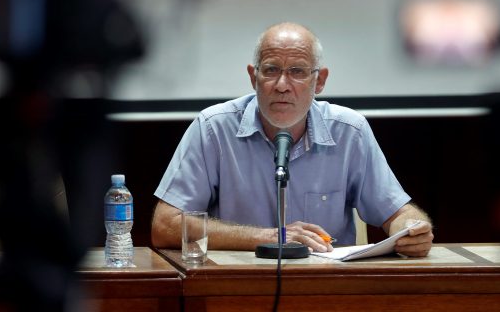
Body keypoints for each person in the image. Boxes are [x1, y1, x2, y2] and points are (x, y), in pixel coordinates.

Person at [151, 22, 433, 256]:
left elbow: (396, 213)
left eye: (297, 72)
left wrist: (411, 229)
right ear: (254, 77)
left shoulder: (350, 131)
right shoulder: (213, 128)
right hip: (236, 286)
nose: (282, 86)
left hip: (326, 290)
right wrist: (273, 237)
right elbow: (165, 226)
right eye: (271, 70)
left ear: (319, 81)